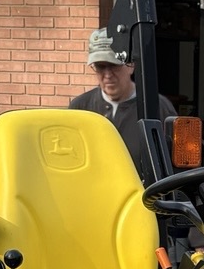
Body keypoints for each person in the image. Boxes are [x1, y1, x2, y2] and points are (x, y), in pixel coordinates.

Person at [68, 28, 176, 184]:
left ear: (131, 65)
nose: (107, 74)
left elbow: (175, 169)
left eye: (114, 65)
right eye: (100, 67)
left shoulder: (158, 108)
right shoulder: (80, 108)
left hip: (142, 203)